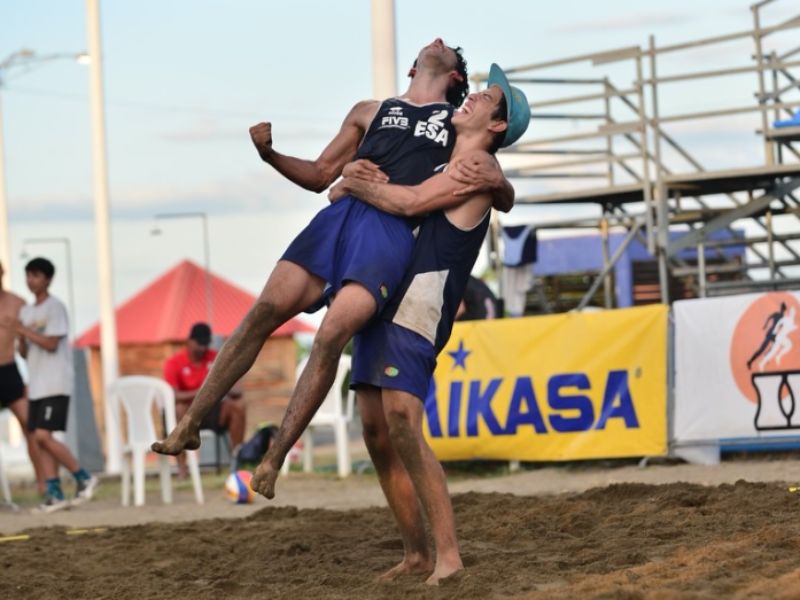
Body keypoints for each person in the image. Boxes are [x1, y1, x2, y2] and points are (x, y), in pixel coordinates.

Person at [152, 40, 513, 498]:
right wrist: (271, 155)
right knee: (264, 310)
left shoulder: (458, 123)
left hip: (389, 231)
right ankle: (188, 425)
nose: (437, 42)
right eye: (431, 42)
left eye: (446, 47)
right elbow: (322, 174)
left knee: (329, 337)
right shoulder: (369, 110)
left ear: (456, 77)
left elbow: (487, 175)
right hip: (338, 221)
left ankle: (273, 459)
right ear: (412, 66)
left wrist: (503, 187)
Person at [325, 64, 530, 585]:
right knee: (374, 429)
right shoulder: (447, 155)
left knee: (400, 421)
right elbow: (372, 192)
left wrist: (353, 180)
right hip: (390, 294)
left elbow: (408, 201)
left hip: (422, 301)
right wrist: (350, 183)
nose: (472, 99)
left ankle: (448, 556)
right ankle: (416, 555)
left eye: (485, 98)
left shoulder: (478, 163)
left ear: (498, 126)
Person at [3, 258, 98, 512]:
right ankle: (54, 492)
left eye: (35, 275)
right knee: (38, 437)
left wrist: (21, 331)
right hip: (37, 384)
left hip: (56, 383)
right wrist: (20, 339)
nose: (31, 280)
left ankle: (84, 476)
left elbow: (51, 344)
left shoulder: (55, 308)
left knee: (43, 436)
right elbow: (25, 352)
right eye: (28, 275)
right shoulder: (27, 311)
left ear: (47, 279)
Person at [163, 322, 246, 476]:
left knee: (238, 405)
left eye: (205, 344)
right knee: (179, 408)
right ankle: (183, 467)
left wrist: (226, 384)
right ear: (189, 341)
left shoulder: (216, 358)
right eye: (199, 344)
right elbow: (172, 395)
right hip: (187, 414)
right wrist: (202, 392)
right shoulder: (174, 363)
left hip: (212, 412)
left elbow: (238, 390)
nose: (202, 348)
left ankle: (237, 461)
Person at [0, 261, 45, 496]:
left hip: (8, 370)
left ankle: (43, 484)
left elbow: (28, 346)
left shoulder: (17, 304)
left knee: (32, 428)